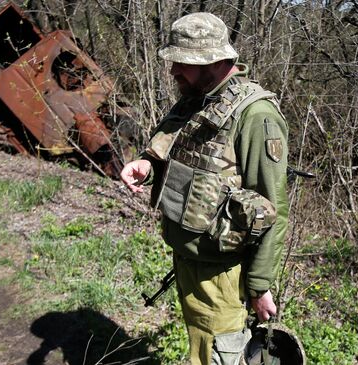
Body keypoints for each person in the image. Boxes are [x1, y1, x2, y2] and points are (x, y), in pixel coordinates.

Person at [120, 12, 288, 365]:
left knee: (220, 359)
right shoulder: (197, 99)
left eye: (183, 62)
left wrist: (258, 286)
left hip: (222, 274)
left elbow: (274, 209)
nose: (173, 71)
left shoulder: (256, 116)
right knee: (202, 352)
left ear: (212, 60)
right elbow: (186, 162)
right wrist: (147, 169)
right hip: (187, 259)